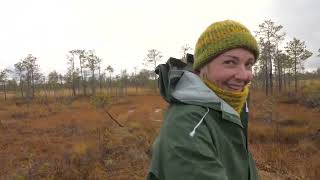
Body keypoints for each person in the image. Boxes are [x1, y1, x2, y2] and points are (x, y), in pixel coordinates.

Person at [147, 20, 260, 180]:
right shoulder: (188, 125)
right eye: (230, 62)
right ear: (201, 68)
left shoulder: (228, 107)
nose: (244, 75)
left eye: (248, 64)